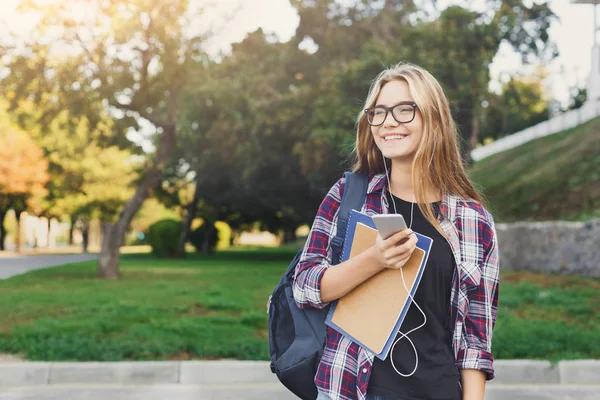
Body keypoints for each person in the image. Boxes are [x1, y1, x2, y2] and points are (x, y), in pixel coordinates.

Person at [292, 62, 499, 400]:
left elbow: (475, 341)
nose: (388, 121)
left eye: (405, 110)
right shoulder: (349, 197)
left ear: (433, 118)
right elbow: (304, 287)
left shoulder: (473, 222)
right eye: (379, 112)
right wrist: (374, 259)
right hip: (352, 390)